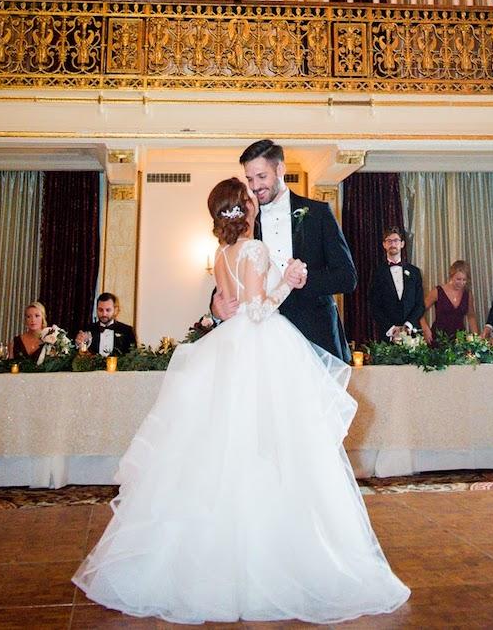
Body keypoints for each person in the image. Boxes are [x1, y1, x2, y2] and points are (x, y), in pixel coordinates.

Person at [74, 178, 410, 623]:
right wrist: (288, 281)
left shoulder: (219, 256)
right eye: (251, 200)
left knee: (221, 447)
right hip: (261, 348)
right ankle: (276, 559)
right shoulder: (253, 251)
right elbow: (255, 310)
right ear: (246, 209)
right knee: (270, 447)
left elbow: (226, 304)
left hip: (228, 350)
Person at [215, 138, 357, 361]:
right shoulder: (247, 218)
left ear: (280, 169)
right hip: (264, 344)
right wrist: (216, 307)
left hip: (315, 335)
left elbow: (347, 278)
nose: (254, 186)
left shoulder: (318, 213)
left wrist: (304, 279)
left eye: (262, 177)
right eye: (250, 179)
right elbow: (233, 274)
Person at [368, 226, 425, 341]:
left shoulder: (414, 272)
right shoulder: (377, 273)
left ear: (402, 244)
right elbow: (374, 305)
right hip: (388, 334)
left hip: (411, 333)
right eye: (389, 241)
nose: (392, 244)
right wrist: (391, 328)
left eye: (396, 241)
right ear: (384, 245)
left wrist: (408, 325)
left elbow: (420, 304)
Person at [421, 260, 480, 345]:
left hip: (459, 339)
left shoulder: (467, 294)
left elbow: (471, 316)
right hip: (438, 337)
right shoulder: (438, 291)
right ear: (451, 276)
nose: (461, 283)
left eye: (464, 280)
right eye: (458, 279)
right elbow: (419, 311)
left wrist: (476, 338)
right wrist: (425, 328)